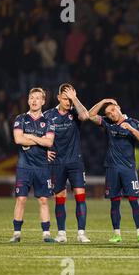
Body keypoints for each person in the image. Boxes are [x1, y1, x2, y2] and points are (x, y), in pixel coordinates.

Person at [89, 99, 139, 243]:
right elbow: (90, 115)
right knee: (114, 202)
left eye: (112, 111)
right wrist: (103, 102)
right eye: (108, 113)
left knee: (134, 201)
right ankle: (117, 234)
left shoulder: (134, 122)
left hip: (128, 169)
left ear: (118, 108)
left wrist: (131, 129)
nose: (111, 115)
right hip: (112, 168)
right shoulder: (108, 123)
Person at [44, 83, 91, 243]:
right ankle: (62, 233)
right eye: (65, 99)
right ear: (58, 98)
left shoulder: (75, 112)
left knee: (80, 197)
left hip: (75, 162)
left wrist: (75, 98)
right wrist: (44, 151)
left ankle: (81, 234)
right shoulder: (48, 115)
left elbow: (86, 116)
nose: (68, 102)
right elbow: (38, 135)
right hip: (57, 163)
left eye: (70, 99)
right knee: (60, 198)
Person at [10, 87, 55, 243]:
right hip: (24, 167)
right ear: (28, 100)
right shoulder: (20, 119)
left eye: (38, 98)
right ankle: (16, 234)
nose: (34, 101)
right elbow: (18, 139)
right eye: (32, 98)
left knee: (43, 200)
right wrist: (38, 139)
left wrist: (29, 136)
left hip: (42, 167)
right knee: (21, 199)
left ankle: (46, 235)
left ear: (43, 101)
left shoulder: (48, 121)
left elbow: (49, 142)